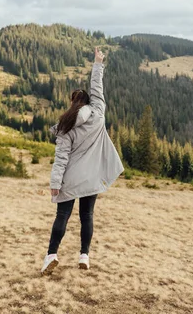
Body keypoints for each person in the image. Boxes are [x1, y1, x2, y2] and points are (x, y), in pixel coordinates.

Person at [41, 47, 124, 275]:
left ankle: (51, 256)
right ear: (89, 101)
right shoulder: (98, 113)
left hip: (71, 178)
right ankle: (84, 256)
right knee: (87, 216)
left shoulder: (66, 127)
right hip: (92, 178)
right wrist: (98, 63)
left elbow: (61, 159)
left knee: (62, 216)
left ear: (72, 103)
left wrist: (55, 184)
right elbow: (98, 87)